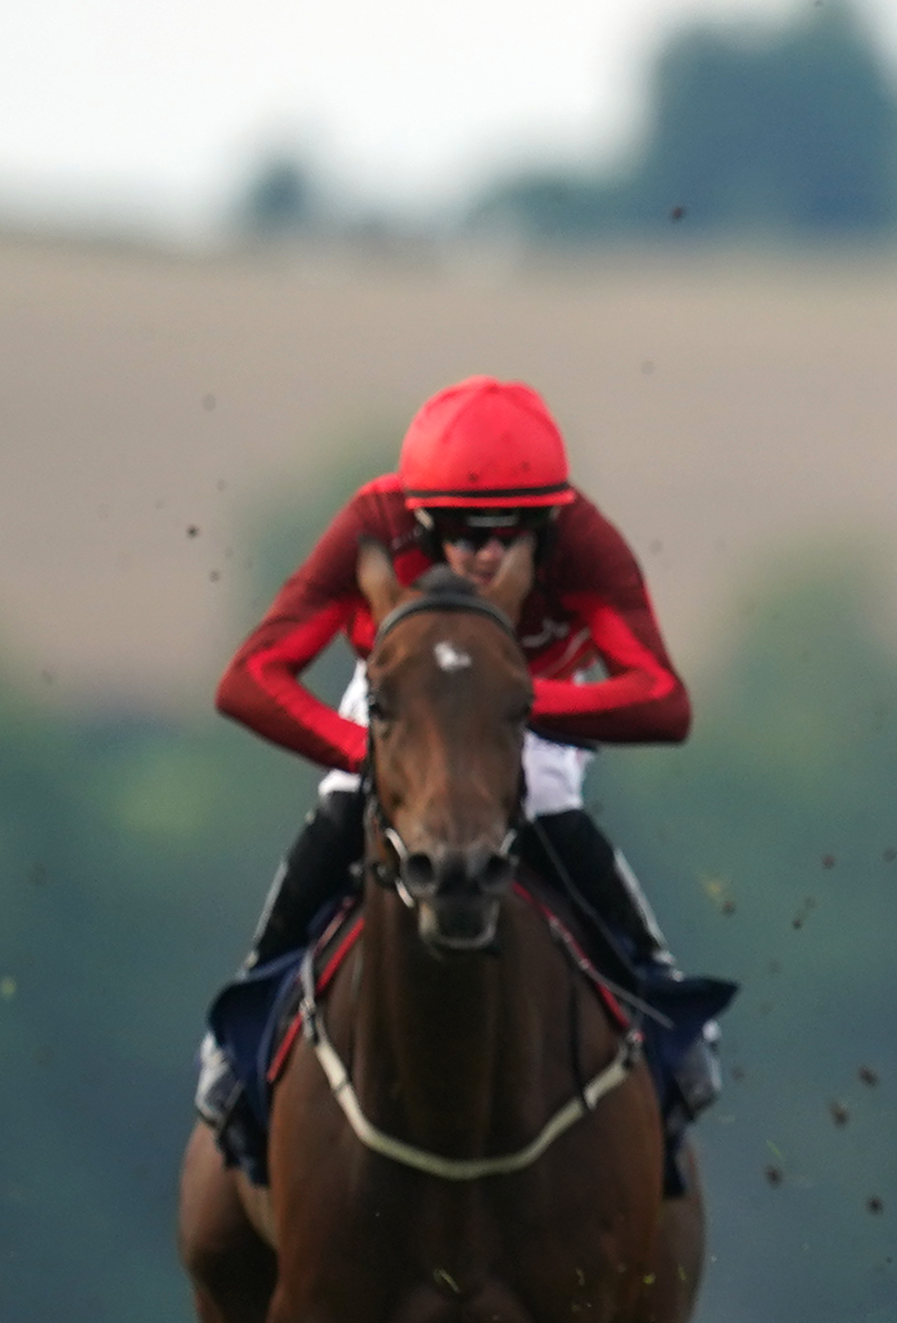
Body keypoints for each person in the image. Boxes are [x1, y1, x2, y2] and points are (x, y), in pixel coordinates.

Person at [202, 374, 719, 1115]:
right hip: (405, 700)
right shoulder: (372, 522)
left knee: (543, 792)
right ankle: (241, 1022)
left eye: (512, 534)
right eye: (466, 532)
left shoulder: (586, 543)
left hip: (526, 702)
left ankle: (667, 1002)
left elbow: (664, 701)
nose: (486, 554)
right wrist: (366, 753)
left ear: (549, 522)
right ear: (421, 519)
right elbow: (248, 677)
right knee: (345, 800)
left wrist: (515, 705)